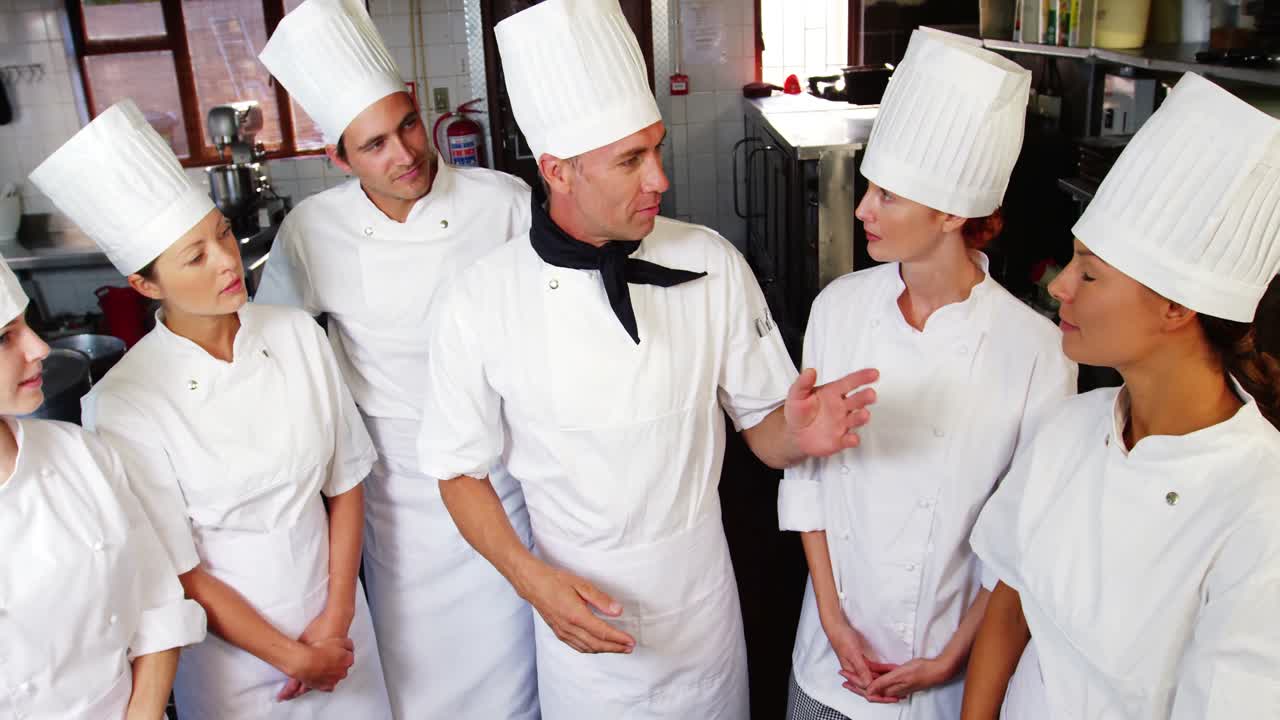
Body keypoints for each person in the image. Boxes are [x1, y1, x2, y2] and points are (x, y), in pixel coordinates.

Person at [416, 0, 878, 717]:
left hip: (702, 613)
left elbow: (763, 432)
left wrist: (798, 433)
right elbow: (457, 471)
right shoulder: (479, 300)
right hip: (580, 628)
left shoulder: (711, 262)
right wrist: (531, 581)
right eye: (630, 160)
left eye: (656, 149)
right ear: (558, 171)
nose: (659, 178)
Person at [30, 99, 393, 719]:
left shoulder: (296, 335)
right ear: (146, 285)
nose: (227, 262)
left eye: (222, 234)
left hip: (340, 633)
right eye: (195, 257)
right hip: (239, 668)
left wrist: (336, 621)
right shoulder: (124, 402)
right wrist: (294, 657)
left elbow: (346, 482)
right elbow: (178, 568)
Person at [778, 29, 1077, 720]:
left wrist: (951, 657)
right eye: (868, 187)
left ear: (950, 213)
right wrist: (832, 621)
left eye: (887, 195)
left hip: (945, 678)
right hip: (828, 661)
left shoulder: (1037, 350)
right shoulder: (838, 308)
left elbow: (1019, 533)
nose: (862, 209)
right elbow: (809, 484)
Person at [963, 72, 1280, 719]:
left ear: (1175, 308)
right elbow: (1009, 601)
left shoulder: (1259, 507)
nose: (1059, 286)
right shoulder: (1073, 427)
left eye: (1090, 273)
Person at [254, 2, 539, 715]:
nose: (405, 154)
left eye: (408, 125)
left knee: (520, 662)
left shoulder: (503, 201)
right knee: (423, 675)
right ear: (339, 159)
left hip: (502, 470)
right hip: (399, 493)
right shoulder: (312, 230)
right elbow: (274, 351)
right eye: (374, 144)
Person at [0, 256, 207, 719]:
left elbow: (158, 608)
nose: (39, 348)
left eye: (26, 324)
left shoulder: (79, 454)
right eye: (4, 337)